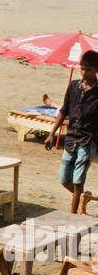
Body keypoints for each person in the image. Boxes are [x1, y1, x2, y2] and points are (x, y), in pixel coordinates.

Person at [45, 50, 98, 213]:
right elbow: (64, 110)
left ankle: (73, 215)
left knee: (77, 181)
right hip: (71, 139)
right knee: (64, 179)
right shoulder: (73, 87)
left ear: (96, 70)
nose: (84, 73)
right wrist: (51, 133)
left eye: (88, 69)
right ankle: (83, 197)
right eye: (81, 69)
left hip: (88, 141)